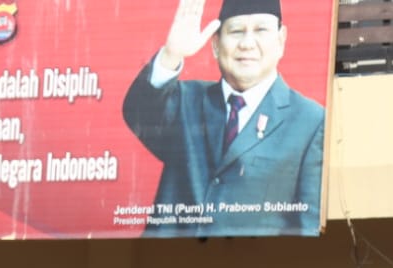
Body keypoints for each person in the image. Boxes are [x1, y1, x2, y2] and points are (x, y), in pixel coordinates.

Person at [121, 0, 325, 237]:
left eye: (261, 30)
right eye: (236, 31)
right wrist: (171, 55)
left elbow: (308, 227)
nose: (247, 43)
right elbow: (138, 112)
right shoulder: (186, 101)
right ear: (216, 44)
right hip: (169, 258)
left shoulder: (310, 121)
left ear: (281, 40)